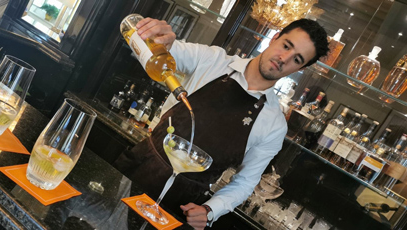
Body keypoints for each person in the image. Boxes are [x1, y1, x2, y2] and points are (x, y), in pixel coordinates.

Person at [115, 17, 329, 229]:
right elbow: (161, 53)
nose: (284, 58)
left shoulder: (274, 124)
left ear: (299, 69)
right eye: (286, 45)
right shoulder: (212, 60)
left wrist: (210, 210)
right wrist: (157, 39)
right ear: (274, 38)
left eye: (297, 59)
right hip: (133, 172)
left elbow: (245, 181)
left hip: (180, 208)